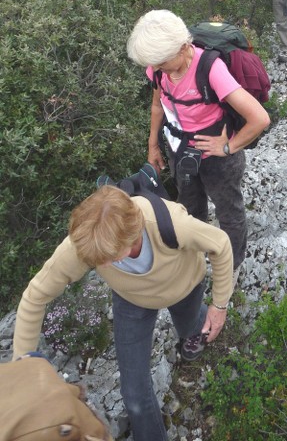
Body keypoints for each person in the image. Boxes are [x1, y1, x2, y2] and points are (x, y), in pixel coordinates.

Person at [12, 185, 233, 441]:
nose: (102, 265)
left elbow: (221, 243)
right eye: (98, 262)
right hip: (132, 300)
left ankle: (194, 327)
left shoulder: (170, 222)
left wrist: (219, 306)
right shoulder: (88, 244)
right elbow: (34, 297)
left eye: (110, 258)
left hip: (184, 287)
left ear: (134, 234)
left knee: (189, 327)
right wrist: (24, 373)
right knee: (134, 396)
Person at [127, 9, 270, 282]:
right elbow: (158, 104)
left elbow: (260, 119)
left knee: (228, 209)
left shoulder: (211, 68)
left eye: (160, 62)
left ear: (183, 48)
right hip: (179, 147)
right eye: (152, 63)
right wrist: (153, 145)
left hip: (217, 154)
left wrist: (227, 148)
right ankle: (193, 257)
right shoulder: (159, 67)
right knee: (189, 206)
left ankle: (231, 264)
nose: (155, 69)